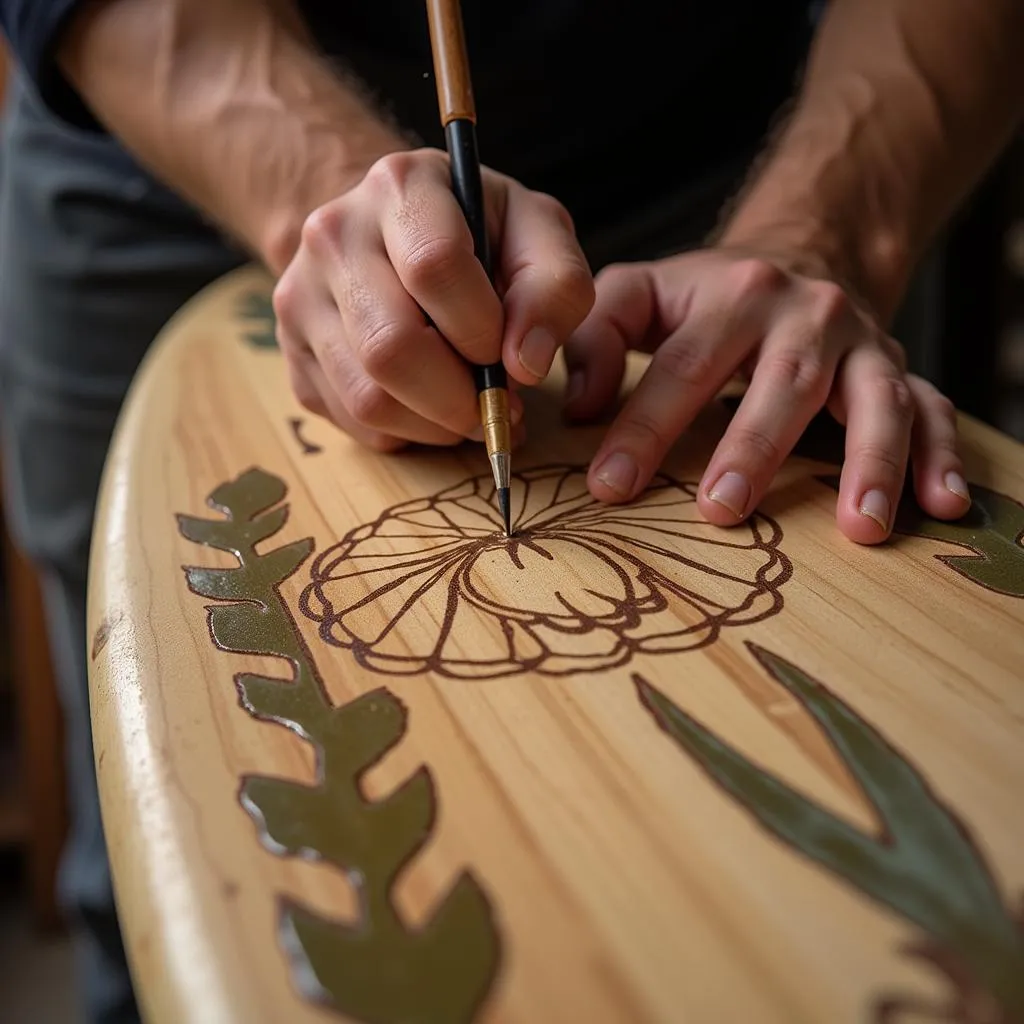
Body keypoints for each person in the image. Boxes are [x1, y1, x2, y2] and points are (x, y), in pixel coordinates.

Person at [0, 2, 1022, 1021]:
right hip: (167, 144)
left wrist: (819, 237)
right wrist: (339, 212)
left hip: (754, 147)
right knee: (186, 849)